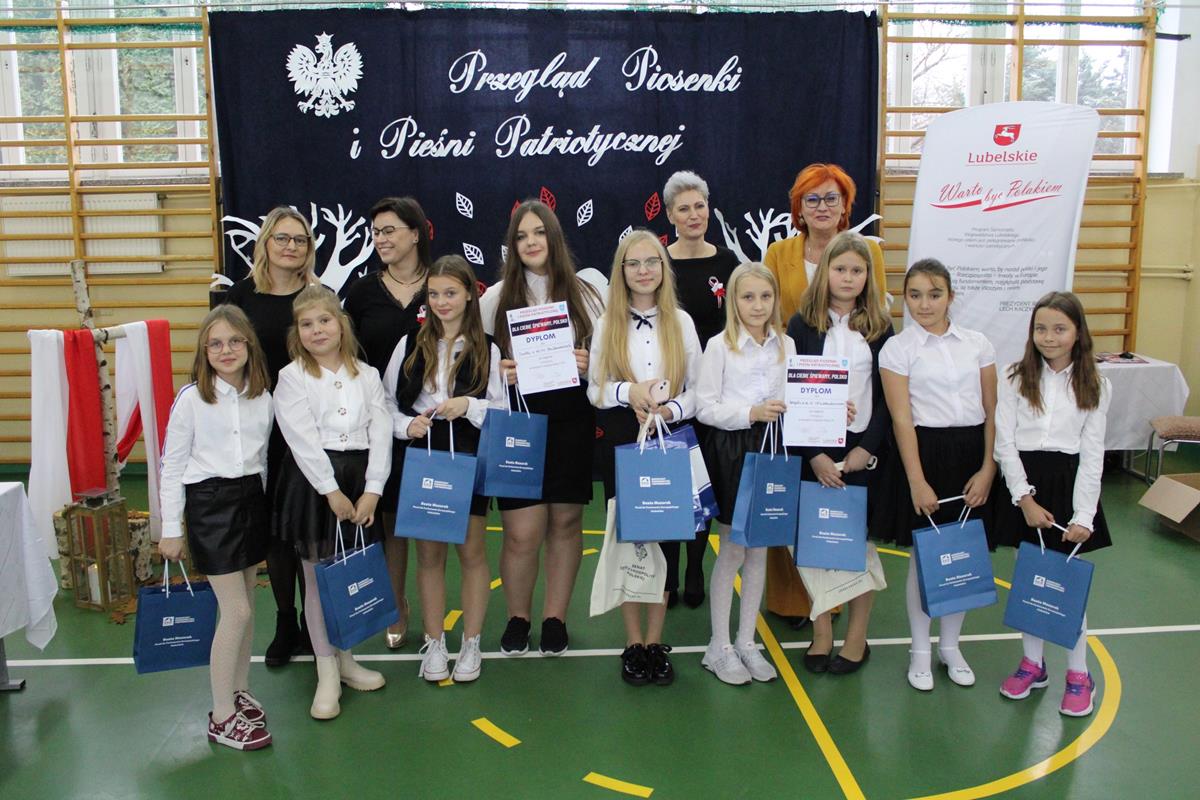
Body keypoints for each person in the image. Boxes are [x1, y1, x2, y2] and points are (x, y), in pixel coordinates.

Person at [762, 163, 891, 630]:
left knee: (849, 530)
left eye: (830, 198)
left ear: (844, 205)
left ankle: (844, 616)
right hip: (804, 415)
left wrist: (864, 444)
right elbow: (770, 322)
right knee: (803, 523)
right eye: (811, 199)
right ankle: (799, 606)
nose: (821, 206)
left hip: (855, 432)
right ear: (798, 206)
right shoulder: (781, 258)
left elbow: (880, 378)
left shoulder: (868, 263)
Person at [479, 200, 605, 657]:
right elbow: (474, 363)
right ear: (512, 245)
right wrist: (499, 372)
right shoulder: (494, 298)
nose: (531, 242)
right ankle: (518, 617)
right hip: (518, 421)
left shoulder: (588, 292)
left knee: (566, 522)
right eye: (521, 236)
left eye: (538, 232)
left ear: (554, 237)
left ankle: (555, 618)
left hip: (571, 419)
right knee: (521, 532)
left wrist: (591, 364)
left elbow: (612, 358)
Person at [876, 259, 998, 692]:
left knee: (962, 554)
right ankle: (920, 651)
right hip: (923, 454)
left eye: (934, 294)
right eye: (915, 295)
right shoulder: (898, 349)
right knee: (925, 558)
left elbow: (992, 411)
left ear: (950, 296)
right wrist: (917, 480)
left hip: (972, 455)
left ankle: (950, 646)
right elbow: (901, 419)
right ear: (904, 299)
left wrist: (988, 468)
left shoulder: (978, 344)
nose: (924, 304)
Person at [588, 230, 703, 685]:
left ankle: (656, 643)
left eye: (651, 261)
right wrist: (628, 392)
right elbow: (595, 389)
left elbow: (699, 391)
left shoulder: (682, 322)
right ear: (621, 271)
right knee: (629, 541)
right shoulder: (606, 324)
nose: (643, 271)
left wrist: (670, 409)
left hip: (668, 438)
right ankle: (633, 642)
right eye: (633, 263)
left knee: (667, 542)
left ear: (663, 268)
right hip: (624, 437)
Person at [383, 256, 505, 683]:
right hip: (423, 458)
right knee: (429, 555)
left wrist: (468, 405)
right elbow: (385, 404)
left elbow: (502, 409)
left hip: (468, 458)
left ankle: (471, 642)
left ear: (470, 293)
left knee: (471, 552)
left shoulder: (487, 348)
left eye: (450, 293)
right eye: (433, 294)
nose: (441, 302)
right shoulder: (408, 344)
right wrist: (406, 426)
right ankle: (434, 642)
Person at [272, 285, 391, 719]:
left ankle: (346, 659)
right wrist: (331, 491)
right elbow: (300, 437)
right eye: (306, 324)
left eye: (324, 320)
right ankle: (325, 669)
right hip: (315, 483)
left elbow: (381, 430)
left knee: (348, 575)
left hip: (359, 479)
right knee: (317, 578)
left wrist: (373, 488)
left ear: (341, 325)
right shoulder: (292, 377)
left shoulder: (368, 375)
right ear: (297, 333)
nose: (317, 330)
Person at [158, 305, 274, 750]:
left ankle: (239, 689)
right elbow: (171, 466)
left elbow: (262, 460)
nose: (226, 350)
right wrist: (172, 528)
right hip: (210, 507)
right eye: (216, 344)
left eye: (234, 341)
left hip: (250, 501)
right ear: (204, 352)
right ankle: (222, 715)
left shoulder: (261, 397)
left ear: (249, 345)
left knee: (248, 604)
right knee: (236, 611)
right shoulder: (191, 399)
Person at [993, 291, 1112, 716]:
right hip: (1024, 486)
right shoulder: (1013, 376)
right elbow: (1004, 443)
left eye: (1060, 329)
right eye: (1041, 328)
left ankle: (1079, 674)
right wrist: (1023, 498)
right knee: (1031, 581)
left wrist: (1084, 516)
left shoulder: (1096, 383)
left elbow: (1093, 454)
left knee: (1065, 586)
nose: (1049, 337)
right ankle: (1033, 664)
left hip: (1069, 485)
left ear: (1078, 332)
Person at [786, 231, 894, 675]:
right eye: (840, 269)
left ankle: (856, 637)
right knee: (818, 546)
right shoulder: (801, 325)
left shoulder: (881, 327)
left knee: (858, 548)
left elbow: (888, 399)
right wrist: (814, 455)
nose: (848, 278)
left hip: (861, 451)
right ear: (825, 272)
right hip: (816, 451)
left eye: (857, 270)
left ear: (868, 276)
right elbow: (793, 393)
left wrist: (867, 448)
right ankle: (822, 632)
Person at [222, 206, 318, 666]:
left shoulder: (319, 297)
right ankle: (285, 620)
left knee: (307, 531)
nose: (290, 247)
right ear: (265, 242)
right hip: (258, 430)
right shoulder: (239, 298)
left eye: (299, 239)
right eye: (282, 238)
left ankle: (314, 623)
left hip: (308, 429)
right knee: (276, 534)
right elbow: (221, 359)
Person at [695, 262, 795, 685]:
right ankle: (718, 647)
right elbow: (705, 407)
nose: (757, 305)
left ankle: (746, 641)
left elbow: (797, 397)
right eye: (748, 297)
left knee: (760, 550)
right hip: (734, 450)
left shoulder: (786, 345)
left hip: (774, 449)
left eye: (765, 296)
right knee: (734, 550)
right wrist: (750, 413)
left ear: (775, 300)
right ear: (733, 300)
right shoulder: (719, 346)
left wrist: (828, 410)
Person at [345, 196, 434, 651]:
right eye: (376, 232)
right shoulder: (362, 293)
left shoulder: (441, 284)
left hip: (436, 424)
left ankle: (436, 614)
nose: (380, 239)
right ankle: (396, 605)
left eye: (389, 230)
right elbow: (346, 355)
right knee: (390, 520)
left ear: (415, 233)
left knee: (433, 522)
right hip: (378, 424)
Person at [660, 170, 741, 609]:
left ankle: (694, 569)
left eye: (700, 206)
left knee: (703, 484)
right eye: (684, 208)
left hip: (716, 394)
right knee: (673, 486)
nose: (694, 215)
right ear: (670, 214)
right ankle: (669, 571)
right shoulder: (659, 263)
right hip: (671, 393)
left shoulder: (728, 264)